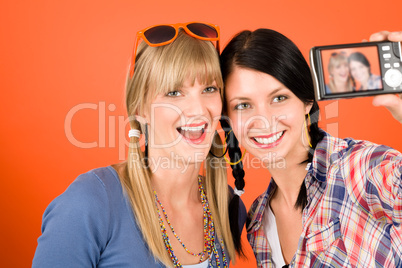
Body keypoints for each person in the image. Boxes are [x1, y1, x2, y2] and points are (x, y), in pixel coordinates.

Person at [32, 22, 246, 268]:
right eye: (174, 93)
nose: (198, 110)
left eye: (209, 88)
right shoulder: (91, 203)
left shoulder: (228, 208)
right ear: (139, 109)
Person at [220, 29, 402, 267]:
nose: (263, 120)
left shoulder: (362, 169)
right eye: (243, 105)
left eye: (278, 98)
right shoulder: (257, 222)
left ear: (307, 102)